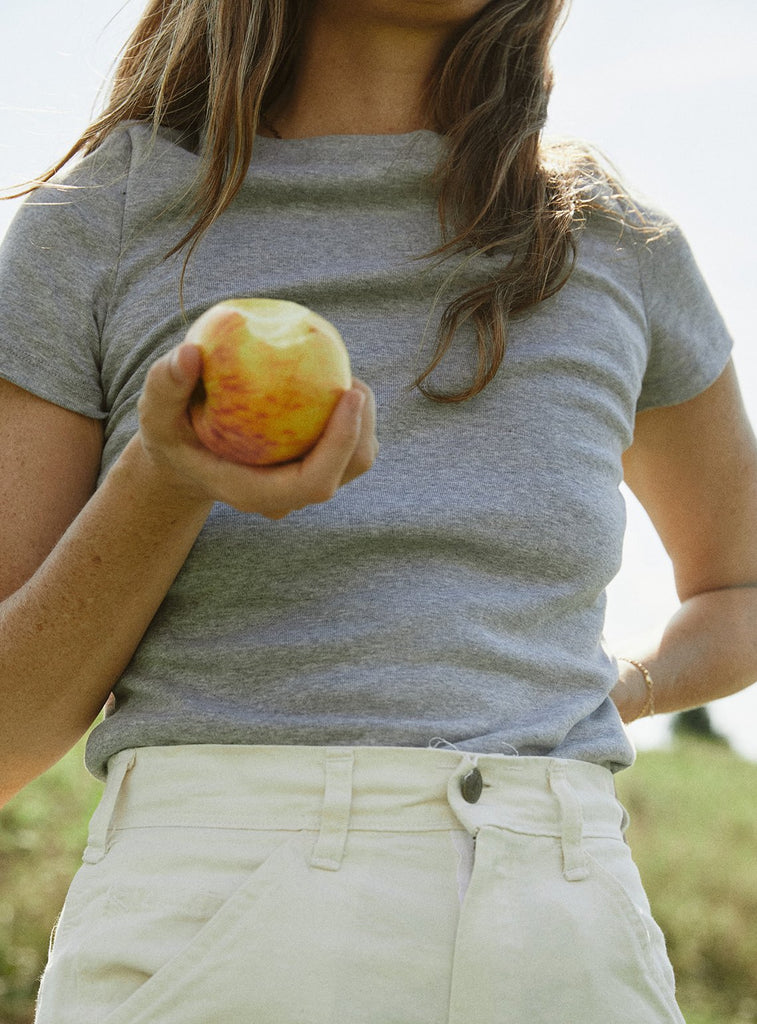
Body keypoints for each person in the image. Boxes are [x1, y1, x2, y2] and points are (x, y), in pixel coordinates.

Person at [1, 1, 756, 1021]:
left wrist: (618, 687)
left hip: (565, 925)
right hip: (216, 920)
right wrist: (166, 479)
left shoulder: (612, 241)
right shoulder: (102, 221)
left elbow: (737, 586)